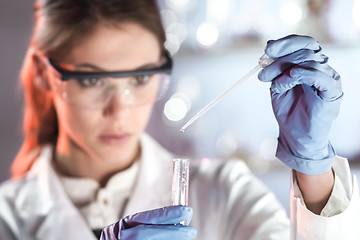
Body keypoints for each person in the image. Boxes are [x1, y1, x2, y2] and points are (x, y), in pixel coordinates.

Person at [0, 0, 359, 239]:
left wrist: (313, 169)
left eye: (140, 78)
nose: (120, 110)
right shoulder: (9, 219)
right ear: (45, 75)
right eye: (92, 80)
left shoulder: (225, 192)